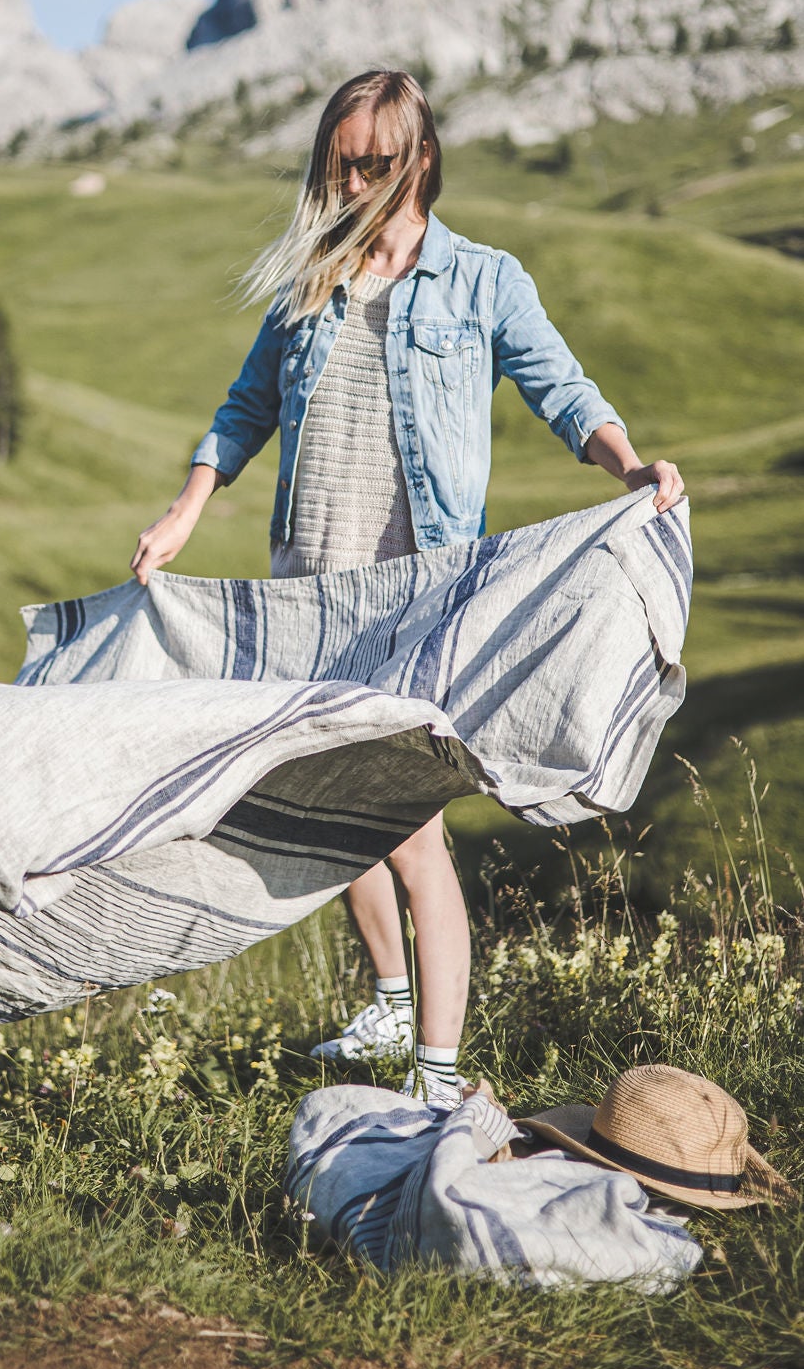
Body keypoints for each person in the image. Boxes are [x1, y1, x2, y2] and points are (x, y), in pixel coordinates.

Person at [130, 68, 684, 1105]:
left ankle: (436, 1073)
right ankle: (390, 997)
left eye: (373, 162)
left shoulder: (481, 279)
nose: (352, 180)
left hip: (417, 598)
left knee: (411, 826)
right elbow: (246, 406)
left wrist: (631, 465)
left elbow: (561, 389)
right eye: (340, 161)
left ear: (420, 159)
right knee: (331, 801)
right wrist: (185, 508)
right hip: (309, 588)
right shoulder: (314, 276)